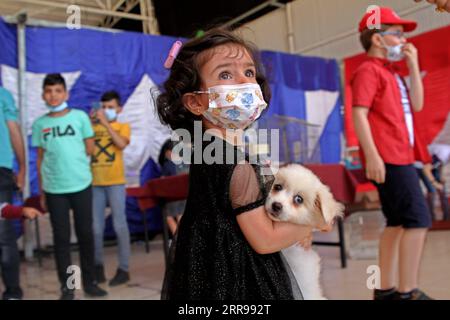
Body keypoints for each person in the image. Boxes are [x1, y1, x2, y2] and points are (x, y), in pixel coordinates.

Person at [156, 28, 317, 300]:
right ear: (196, 102)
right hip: (237, 277)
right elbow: (265, 240)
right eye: (225, 74)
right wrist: (312, 221)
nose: (243, 81)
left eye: (249, 72)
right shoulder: (232, 161)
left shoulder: (211, 149)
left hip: (206, 269)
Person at [352, 8, 432, 300]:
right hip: (390, 158)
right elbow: (359, 114)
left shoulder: (391, 73)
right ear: (377, 38)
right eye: (397, 33)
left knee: (397, 221)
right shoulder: (367, 71)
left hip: (402, 156)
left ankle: (384, 290)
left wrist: (413, 66)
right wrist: (372, 156)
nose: (403, 39)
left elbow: (419, 105)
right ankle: (408, 292)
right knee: (418, 219)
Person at [31, 74, 108, 300]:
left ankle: (91, 282)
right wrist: (43, 190)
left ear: (66, 93)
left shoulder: (80, 117)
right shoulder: (40, 124)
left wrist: (75, 166)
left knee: (86, 234)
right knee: (61, 240)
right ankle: (68, 287)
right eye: (48, 91)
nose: (53, 95)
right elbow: (40, 159)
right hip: (55, 190)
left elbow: (90, 149)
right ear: (43, 95)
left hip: (81, 185)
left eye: (57, 91)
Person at [90, 91, 131, 286]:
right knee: (96, 228)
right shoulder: (92, 126)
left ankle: (124, 268)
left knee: (119, 225)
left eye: (110, 107)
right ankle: (97, 266)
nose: (106, 111)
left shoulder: (123, 126)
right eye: (103, 107)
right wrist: (91, 124)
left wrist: (106, 124)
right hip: (95, 183)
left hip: (115, 182)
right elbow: (84, 148)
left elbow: (121, 144)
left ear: (119, 109)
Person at [0, 86, 26, 300]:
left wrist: (23, 168)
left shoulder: (3, 94)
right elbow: (13, 129)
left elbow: (13, 130)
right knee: (4, 236)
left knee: (4, 235)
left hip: (1, 170)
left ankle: (13, 292)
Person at [158, 139, 188, 235]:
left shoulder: (168, 164)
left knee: (169, 216)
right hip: (185, 194)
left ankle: (177, 239)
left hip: (172, 195)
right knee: (180, 215)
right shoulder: (185, 164)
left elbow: (163, 180)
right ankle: (184, 238)